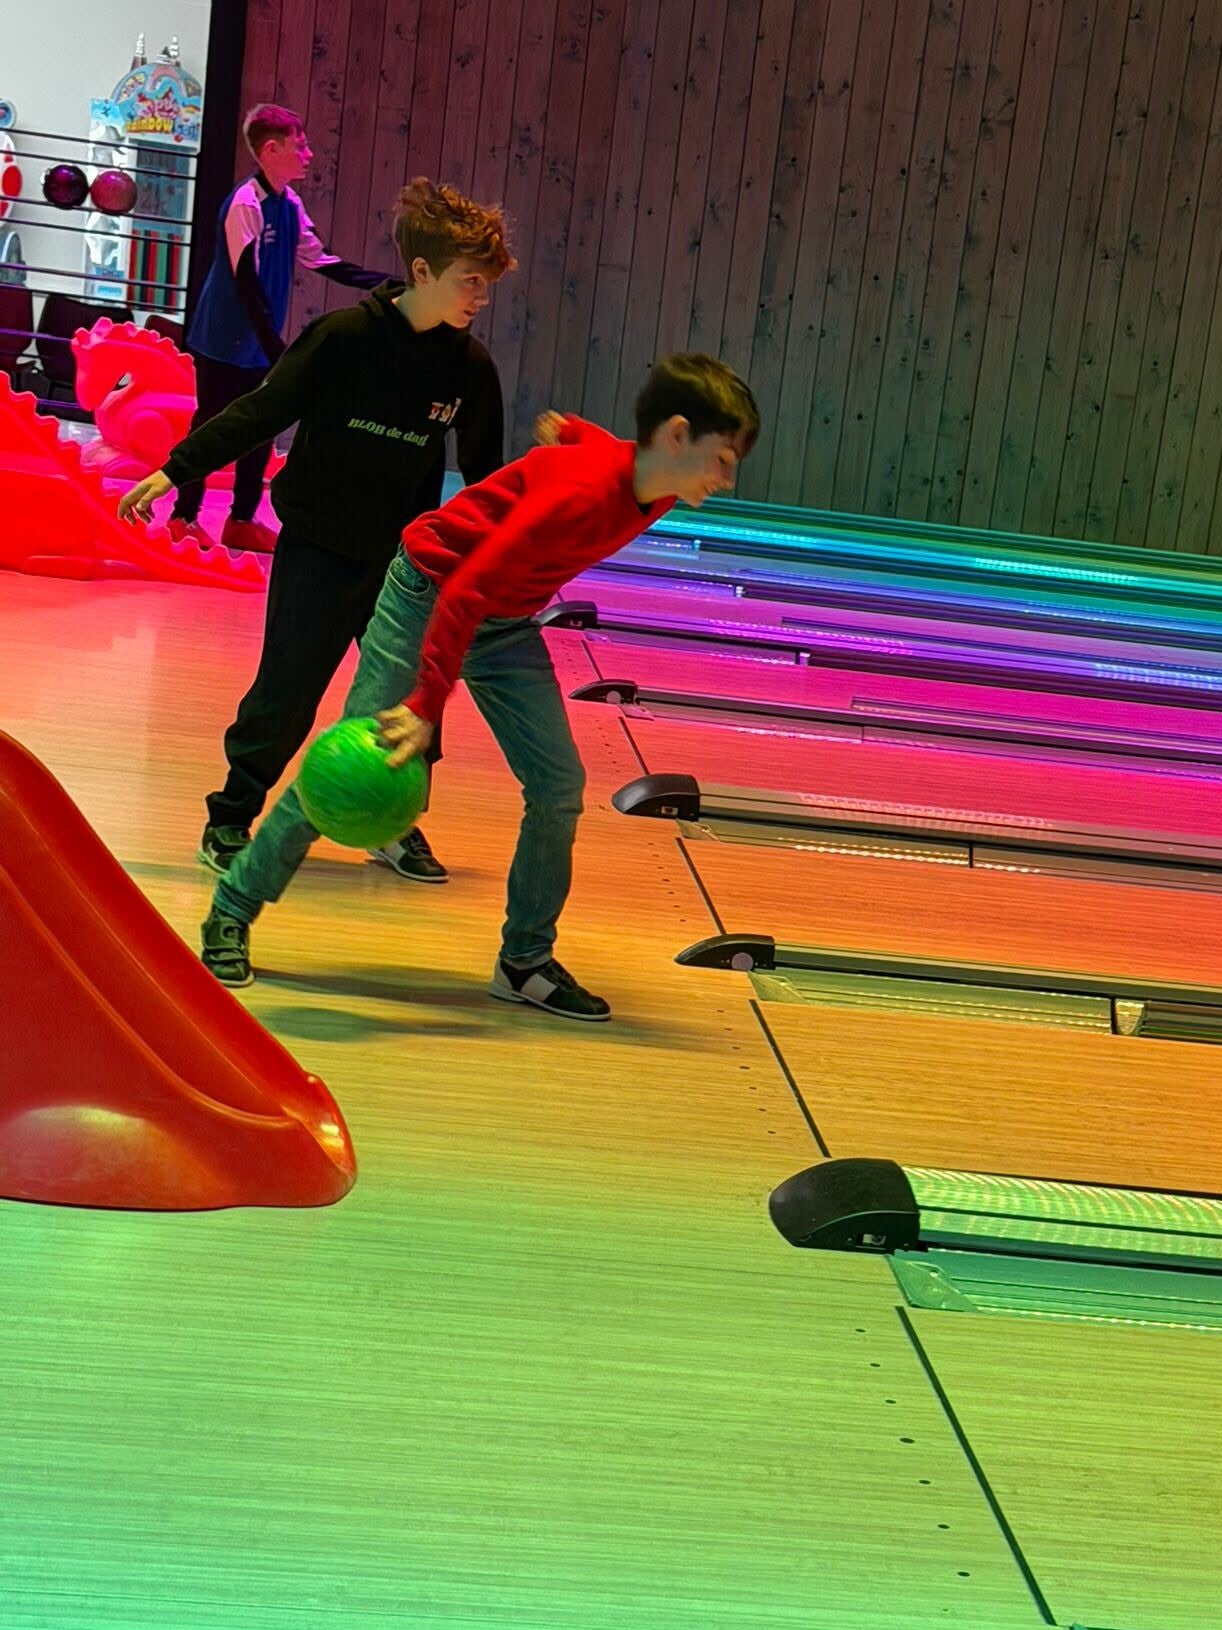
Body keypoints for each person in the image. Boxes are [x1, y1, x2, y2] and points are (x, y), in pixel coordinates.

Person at [198, 353, 760, 1019]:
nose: (727, 479)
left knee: (558, 787)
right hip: (430, 591)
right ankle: (231, 909)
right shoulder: (579, 495)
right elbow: (464, 590)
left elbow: (597, 444)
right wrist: (424, 706)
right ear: (676, 434)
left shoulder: (655, 480)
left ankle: (524, 960)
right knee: (354, 760)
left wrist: (568, 429)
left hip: (506, 621)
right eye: (722, 459)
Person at [121, 179, 510, 884]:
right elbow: (260, 412)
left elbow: (487, 478)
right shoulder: (343, 338)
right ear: (423, 271)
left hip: (405, 565)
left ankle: (393, 823)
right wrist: (176, 470)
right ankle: (231, 816)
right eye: (471, 281)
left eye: (488, 284)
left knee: (409, 702)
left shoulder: (470, 368)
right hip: (317, 550)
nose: (482, 297)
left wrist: (496, 562)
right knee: (287, 692)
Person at [170, 103, 399, 554]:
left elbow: (322, 259)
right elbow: (246, 284)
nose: (309, 154)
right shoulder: (245, 204)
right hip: (222, 338)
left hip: (260, 342)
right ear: (271, 151)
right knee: (210, 424)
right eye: (301, 145)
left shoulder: (289, 203)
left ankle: (241, 520)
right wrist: (278, 350)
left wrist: (385, 283)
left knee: (262, 428)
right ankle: (183, 516)